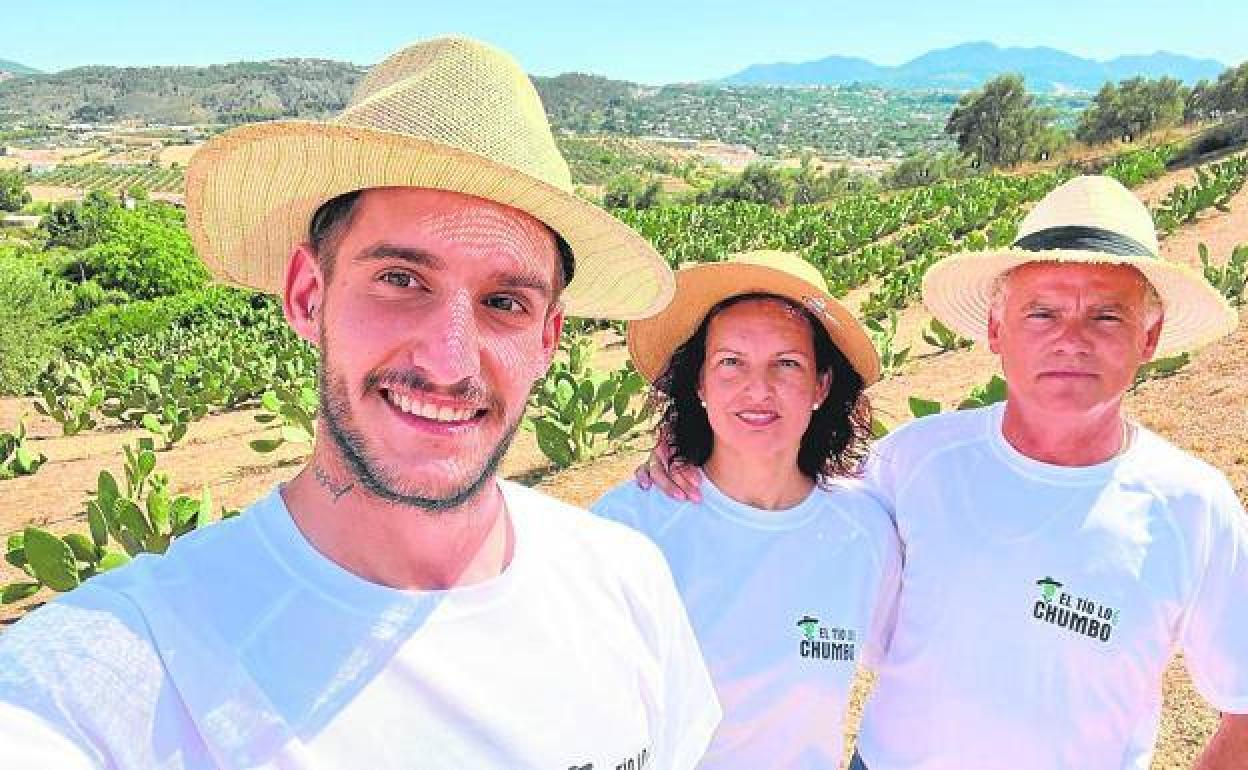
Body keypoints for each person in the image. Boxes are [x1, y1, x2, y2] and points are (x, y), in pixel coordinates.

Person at [0, 36, 720, 769]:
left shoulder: (627, 582)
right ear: (308, 295)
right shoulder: (116, 671)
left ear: (547, 338)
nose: (449, 359)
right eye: (402, 280)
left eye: (504, 301)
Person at [642, 176, 1248, 769]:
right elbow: (786, 495)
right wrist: (694, 441)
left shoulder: (1196, 507)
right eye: (1041, 314)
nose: (1071, 341)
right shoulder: (912, 462)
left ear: (1151, 336)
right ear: (994, 330)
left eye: (1107, 317)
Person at [593, 251, 900, 769]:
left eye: (787, 363)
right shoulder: (630, 530)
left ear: (821, 386)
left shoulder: (866, 531)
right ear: (700, 384)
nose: (758, 389)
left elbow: (911, 671)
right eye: (731, 362)